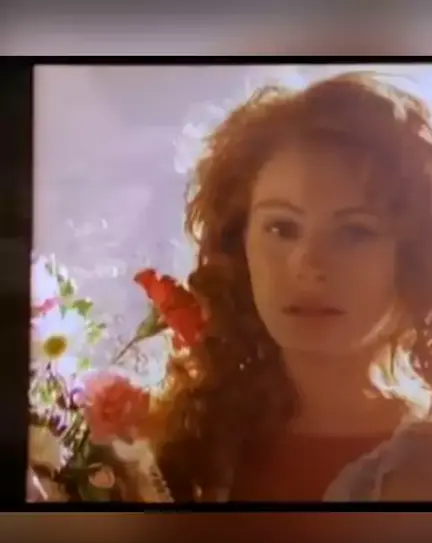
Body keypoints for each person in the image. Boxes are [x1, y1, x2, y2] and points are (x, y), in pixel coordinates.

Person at [145, 71, 432, 503]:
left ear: (416, 254)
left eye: (355, 231)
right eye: (281, 227)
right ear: (239, 244)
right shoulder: (178, 440)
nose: (308, 265)